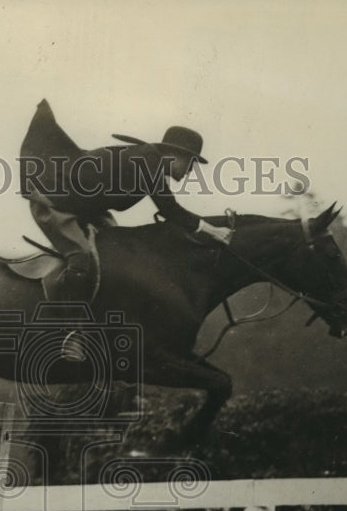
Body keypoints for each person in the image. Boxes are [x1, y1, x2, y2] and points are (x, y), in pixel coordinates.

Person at [19, 100, 232, 359]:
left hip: (85, 207)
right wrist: (212, 230)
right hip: (54, 200)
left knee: (116, 253)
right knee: (81, 258)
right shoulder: (149, 162)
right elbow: (170, 210)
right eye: (190, 164)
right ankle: (69, 335)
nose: (190, 172)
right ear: (175, 156)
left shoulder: (150, 162)